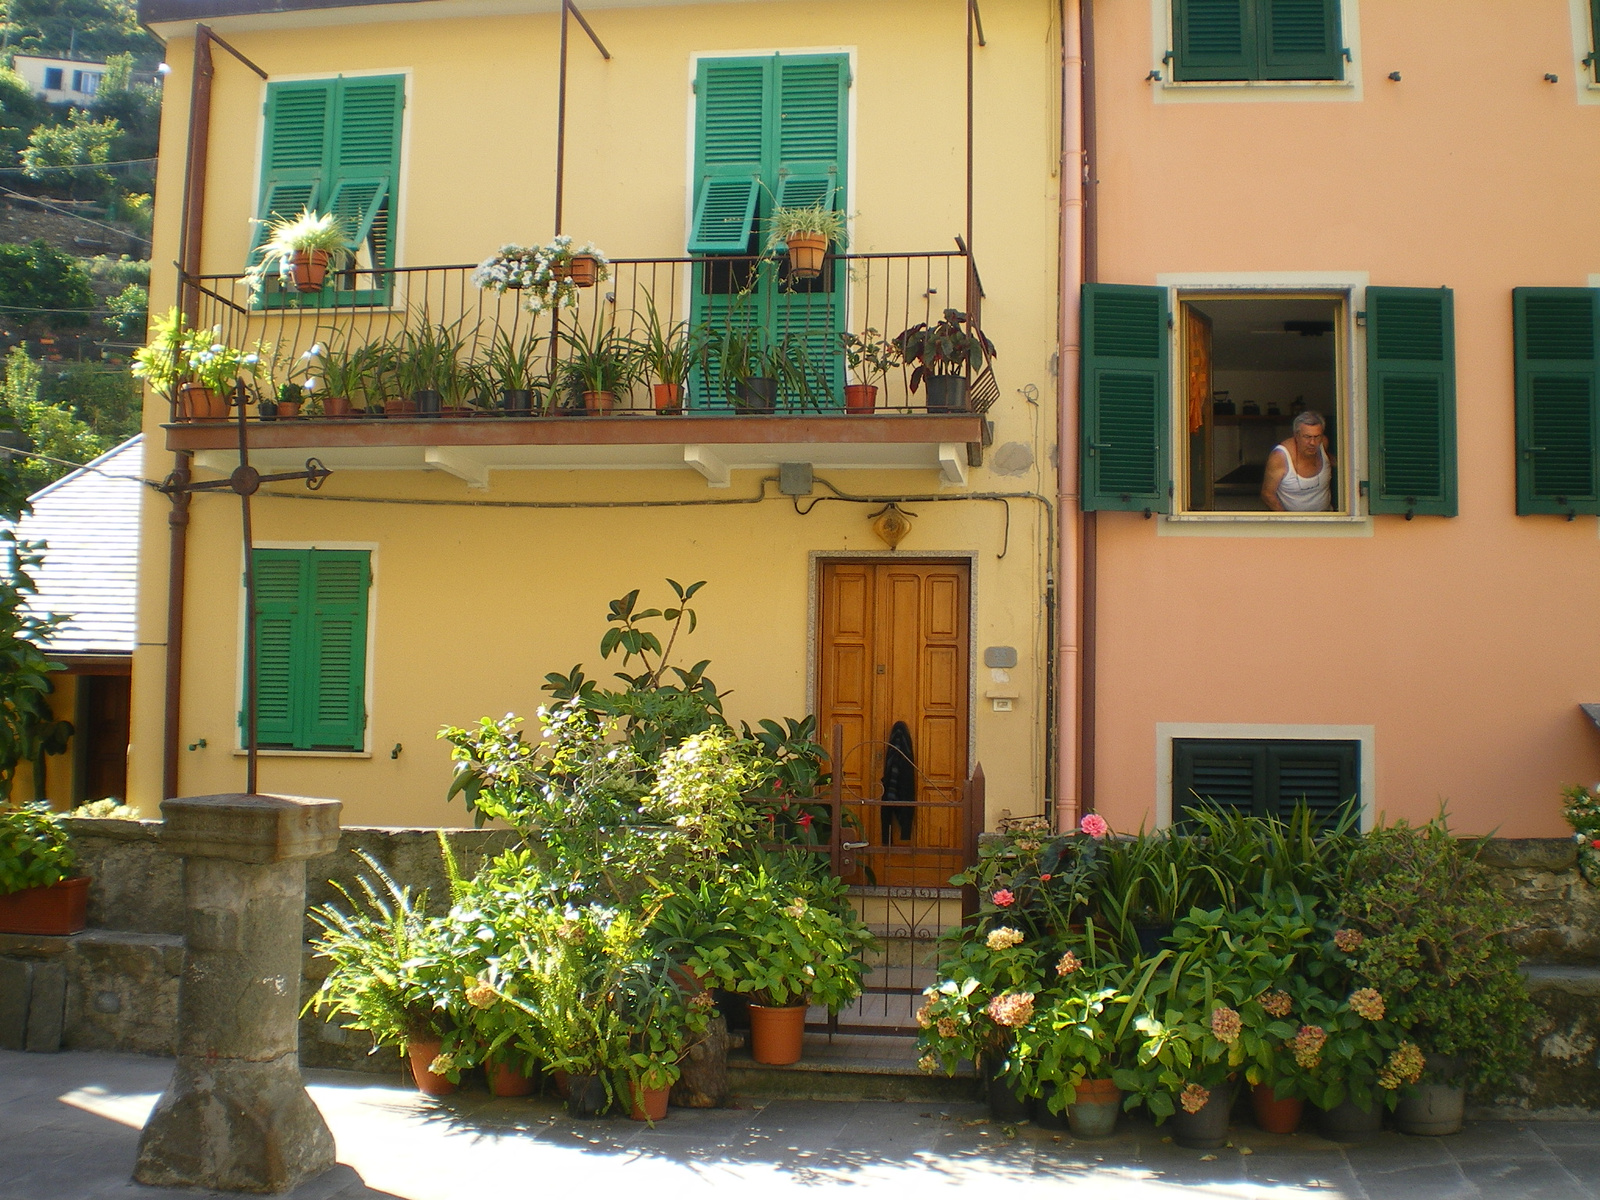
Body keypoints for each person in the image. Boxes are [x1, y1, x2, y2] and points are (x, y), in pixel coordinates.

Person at [1261, 410, 1335, 512]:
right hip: (1294, 524)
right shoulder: (1280, 456)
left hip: (1327, 519)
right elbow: (1267, 494)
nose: (1312, 442)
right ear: (1296, 435)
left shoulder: (1323, 443)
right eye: (1307, 437)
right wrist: (1287, 522)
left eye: (1317, 436)